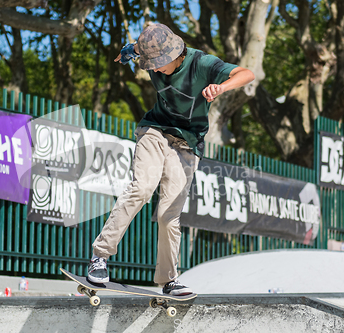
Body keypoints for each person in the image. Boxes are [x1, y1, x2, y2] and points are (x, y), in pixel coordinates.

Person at [87, 23, 255, 296]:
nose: (153, 70)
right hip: (154, 130)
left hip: (187, 144)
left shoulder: (202, 63)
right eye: (150, 64)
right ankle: (99, 257)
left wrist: (221, 88)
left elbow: (246, 73)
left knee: (168, 215)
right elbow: (130, 49)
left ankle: (168, 280)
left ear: (175, 55)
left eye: (158, 65)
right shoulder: (145, 52)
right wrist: (124, 53)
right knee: (141, 188)